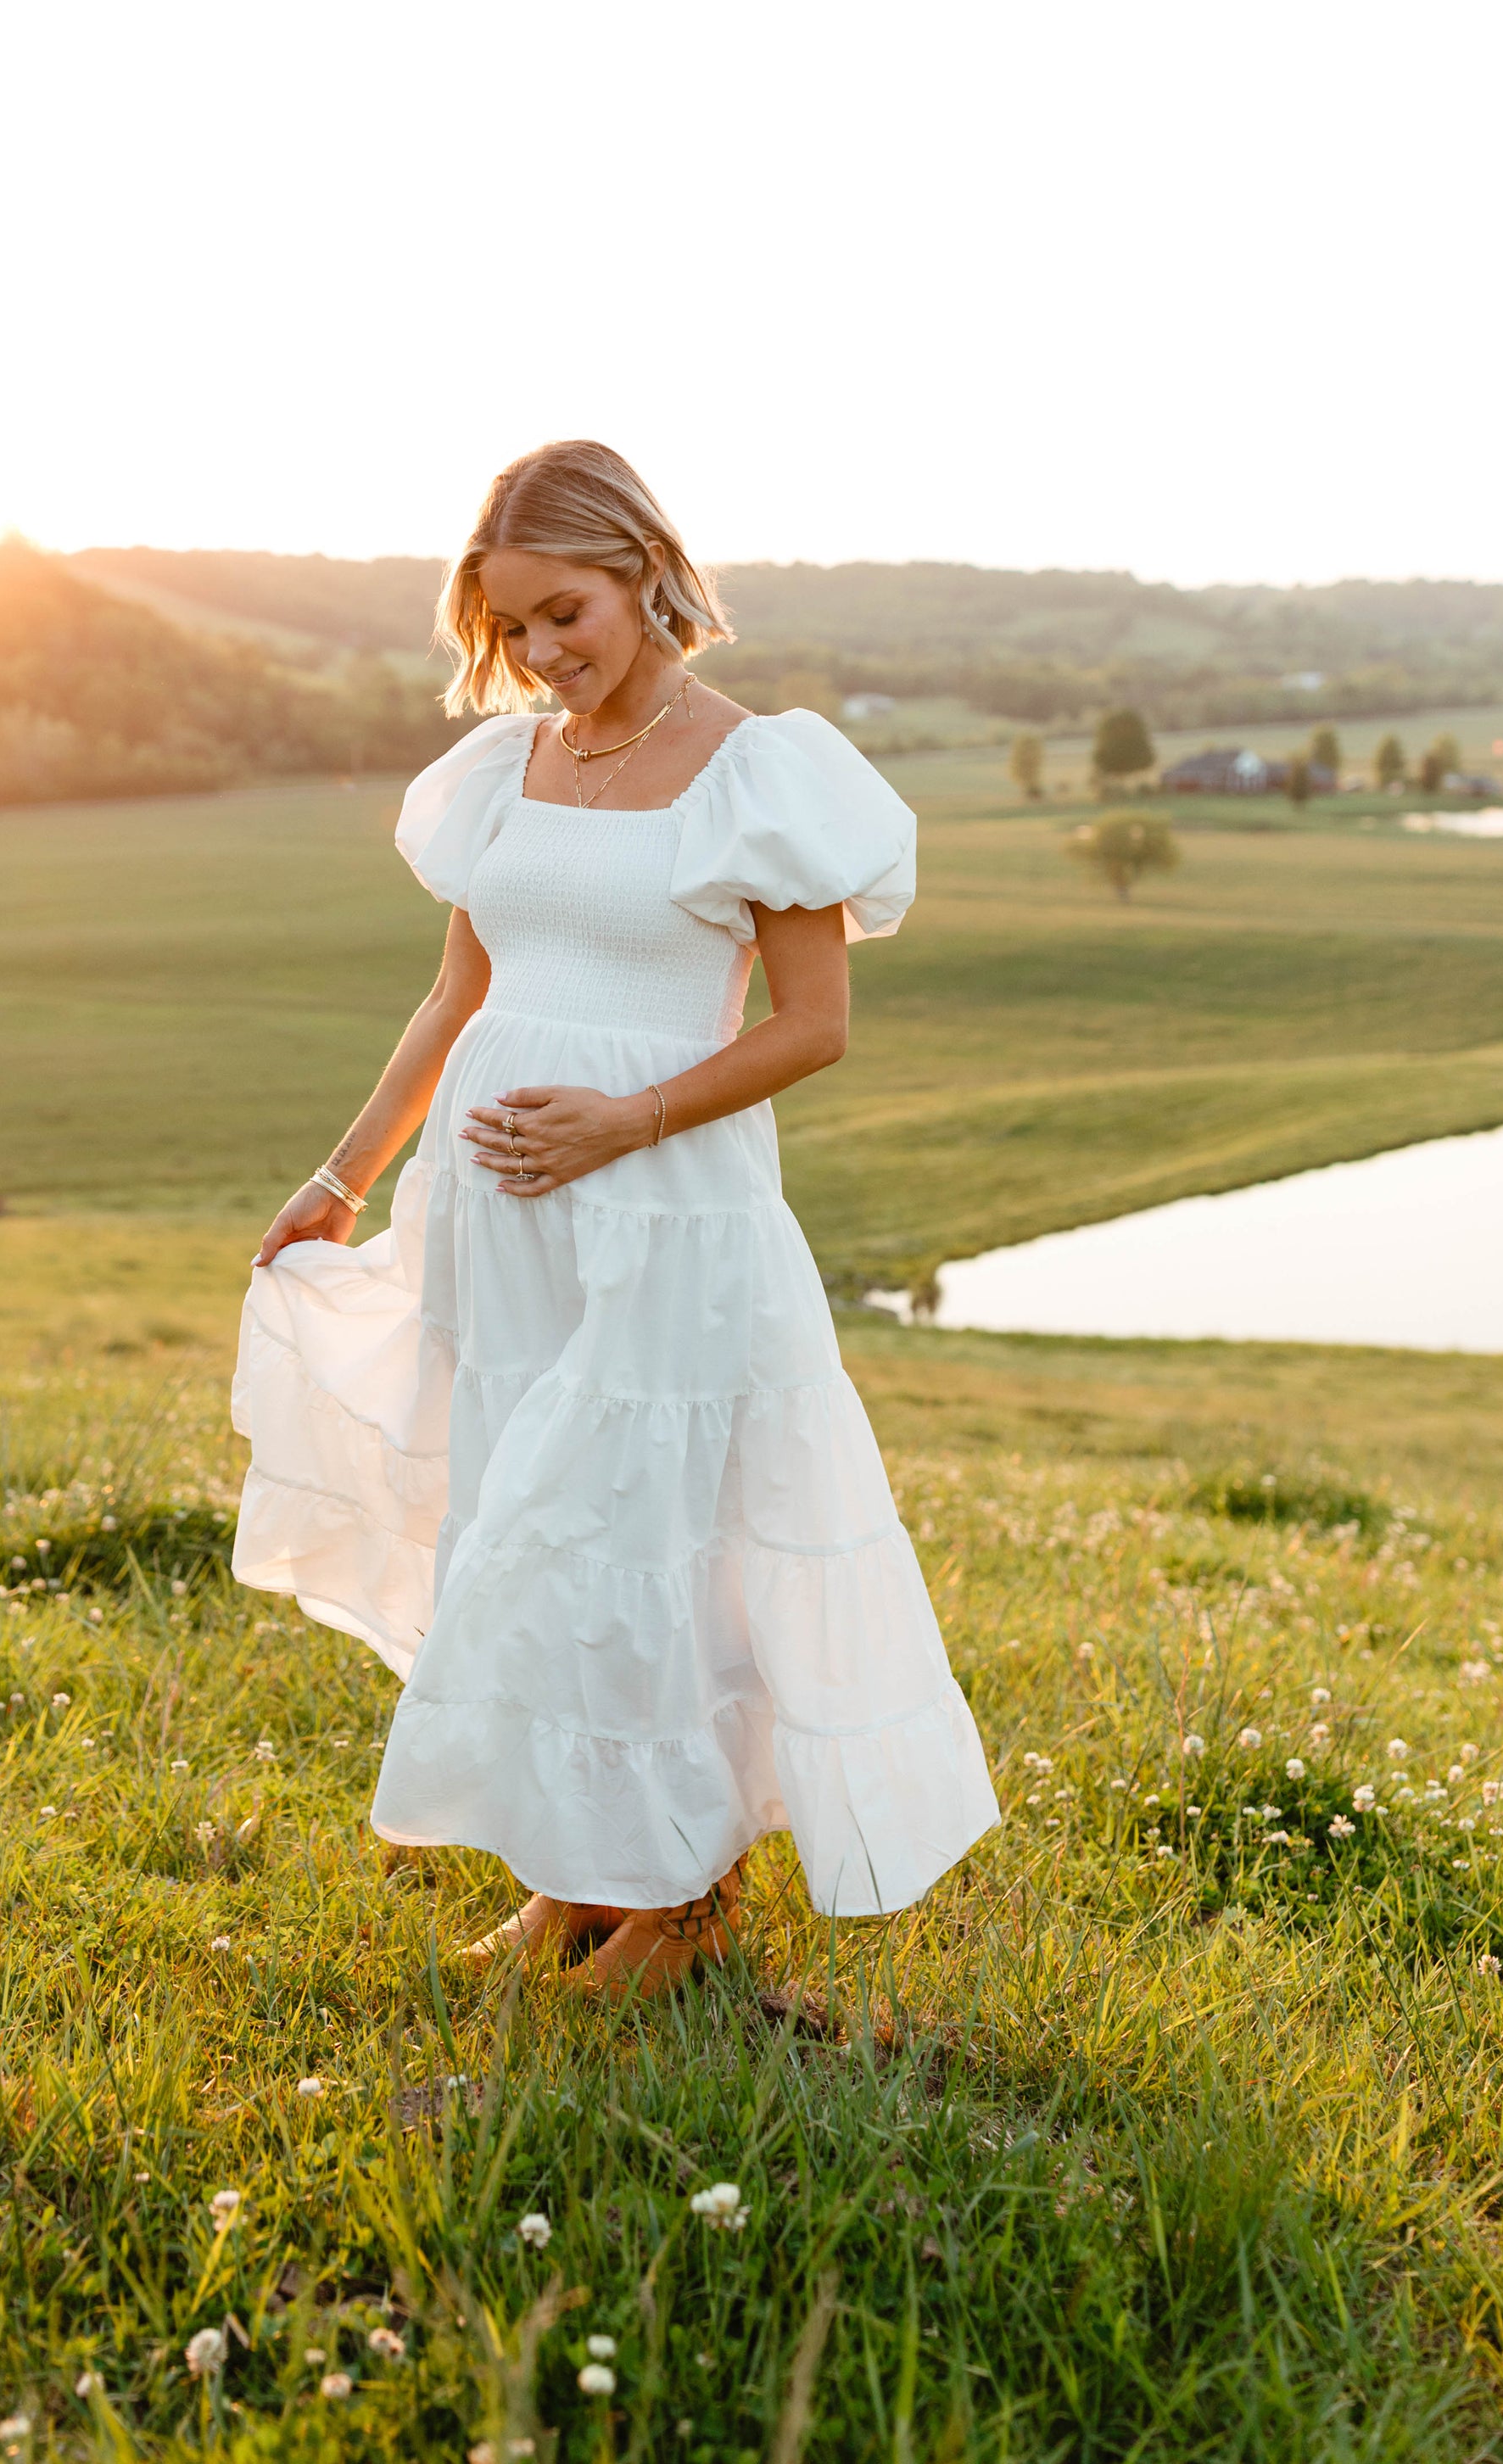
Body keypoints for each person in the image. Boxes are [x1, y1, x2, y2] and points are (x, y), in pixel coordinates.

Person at [232, 442, 996, 1994]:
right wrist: (342, 1176)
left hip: (666, 1207)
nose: (542, 652)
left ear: (646, 572)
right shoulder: (500, 774)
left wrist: (619, 1122)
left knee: (650, 1536)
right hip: (500, 1217)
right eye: (514, 627)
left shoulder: (757, 772)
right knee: (532, 1533)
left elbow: (814, 1027)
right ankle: (581, 1875)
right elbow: (459, 996)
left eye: (564, 611)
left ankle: (686, 1901)